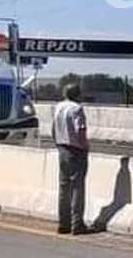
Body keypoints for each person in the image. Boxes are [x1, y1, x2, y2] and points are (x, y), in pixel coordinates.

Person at [52, 84, 91, 235]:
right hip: (76, 151)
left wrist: (58, 144)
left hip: (62, 148)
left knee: (64, 188)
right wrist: (85, 146)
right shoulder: (77, 109)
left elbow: (53, 128)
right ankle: (77, 224)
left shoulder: (58, 107)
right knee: (77, 188)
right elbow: (80, 130)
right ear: (77, 94)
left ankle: (63, 224)